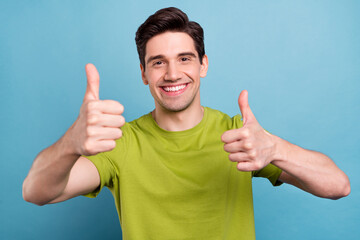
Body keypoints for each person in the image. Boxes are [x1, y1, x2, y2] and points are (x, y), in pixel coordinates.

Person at [23, 7, 350, 240]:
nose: (172, 73)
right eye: (158, 62)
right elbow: (36, 192)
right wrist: (70, 143)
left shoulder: (240, 136)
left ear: (203, 64)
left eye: (184, 58)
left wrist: (277, 149)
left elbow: (338, 186)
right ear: (143, 73)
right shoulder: (121, 143)